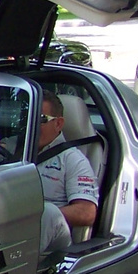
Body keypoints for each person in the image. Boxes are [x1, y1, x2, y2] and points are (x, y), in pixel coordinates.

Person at [37, 91, 97, 253]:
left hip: (54, 240)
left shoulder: (73, 159)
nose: (32, 125)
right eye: (28, 118)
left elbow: (87, 212)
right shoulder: (11, 150)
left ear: (58, 124)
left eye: (41, 119)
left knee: (48, 213)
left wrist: (31, 215)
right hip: (12, 227)